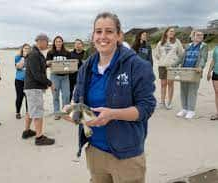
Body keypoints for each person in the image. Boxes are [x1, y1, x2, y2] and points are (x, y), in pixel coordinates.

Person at [64, 12, 156, 183]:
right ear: (93, 36)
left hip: (127, 153)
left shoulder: (137, 66)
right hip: (95, 150)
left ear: (119, 35)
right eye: (98, 31)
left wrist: (114, 114)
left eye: (109, 31)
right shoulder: (86, 67)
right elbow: (78, 102)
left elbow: (147, 107)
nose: (103, 36)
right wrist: (72, 112)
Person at [24, 33, 55, 145]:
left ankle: (27, 131)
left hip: (31, 87)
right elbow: (37, 74)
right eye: (47, 42)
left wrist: (47, 65)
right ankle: (39, 137)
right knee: (38, 112)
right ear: (41, 41)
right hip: (33, 88)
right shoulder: (34, 54)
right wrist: (50, 83)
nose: (48, 44)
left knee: (30, 110)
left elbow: (37, 68)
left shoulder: (36, 54)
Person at [177, 30, 208, 119]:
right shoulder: (188, 46)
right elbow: (181, 57)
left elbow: (203, 58)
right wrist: (173, 65)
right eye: (198, 35)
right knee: (183, 90)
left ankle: (191, 110)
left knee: (192, 91)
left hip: (195, 71)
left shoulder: (204, 46)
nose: (200, 36)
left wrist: (201, 67)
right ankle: (184, 109)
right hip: (184, 70)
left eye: (202, 35)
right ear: (193, 36)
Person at [155, 27, 184, 109]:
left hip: (172, 66)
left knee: (170, 83)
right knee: (163, 84)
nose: (172, 33)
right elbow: (157, 54)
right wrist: (163, 59)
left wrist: (174, 60)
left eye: (173, 31)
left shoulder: (177, 42)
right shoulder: (161, 42)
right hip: (162, 66)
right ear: (166, 32)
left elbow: (181, 53)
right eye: (170, 31)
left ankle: (169, 102)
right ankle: (162, 102)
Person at [46, 36, 71, 120]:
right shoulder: (50, 52)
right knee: (55, 96)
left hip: (65, 77)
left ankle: (64, 113)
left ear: (62, 42)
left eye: (60, 41)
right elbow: (46, 63)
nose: (58, 43)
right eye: (57, 41)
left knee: (66, 95)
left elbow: (71, 64)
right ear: (54, 43)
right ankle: (57, 113)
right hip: (54, 76)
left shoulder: (67, 52)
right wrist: (49, 62)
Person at [14, 44, 31, 120]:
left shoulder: (31, 58)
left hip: (29, 81)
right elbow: (19, 67)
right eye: (25, 48)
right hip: (19, 80)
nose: (27, 50)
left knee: (28, 98)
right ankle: (18, 112)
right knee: (19, 97)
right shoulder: (18, 57)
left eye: (28, 48)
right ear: (22, 49)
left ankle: (28, 112)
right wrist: (24, 57)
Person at [207, 45, 218, 120]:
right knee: (217, 92)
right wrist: (209, 72)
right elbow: (213, 60)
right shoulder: (216, 48)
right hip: (216, 72)